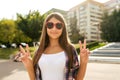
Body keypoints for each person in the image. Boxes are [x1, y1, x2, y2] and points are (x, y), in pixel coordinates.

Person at [19, 12, 90, 80]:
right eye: (50, 25)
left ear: (63, 28)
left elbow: (78, 78)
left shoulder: (70, 50)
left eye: (59, 25)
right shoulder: (39, 51)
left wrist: (84, 62)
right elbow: (34, 78)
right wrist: (28, 65)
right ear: (45, 27)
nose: (54, 29)